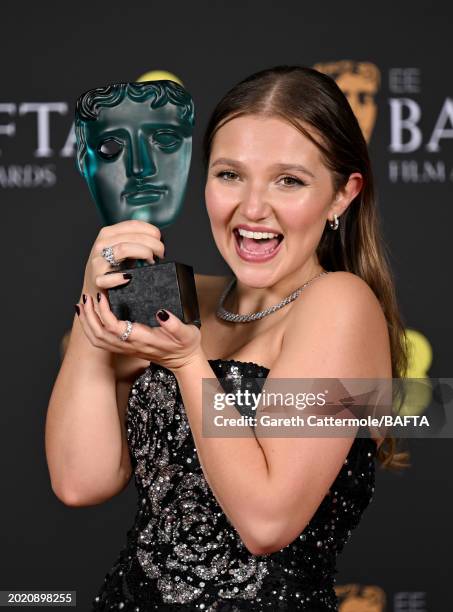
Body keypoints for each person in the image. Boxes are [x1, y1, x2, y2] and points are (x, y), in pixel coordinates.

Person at [45, 65, 409, 611]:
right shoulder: (182, 296)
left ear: (342, 194)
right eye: (230, 175)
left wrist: (191, 363)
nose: (253, 208)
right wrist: (92, 307)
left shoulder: (341, 304)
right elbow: (81, 480)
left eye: (289, 180)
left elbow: (267, 521)